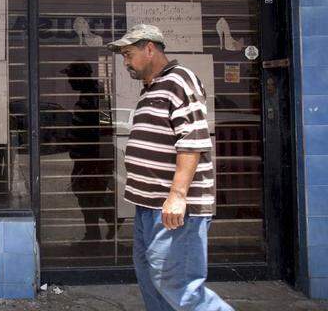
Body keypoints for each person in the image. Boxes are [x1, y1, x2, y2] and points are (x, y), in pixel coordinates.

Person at [106, 24, 233, 311]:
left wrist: (177, 195)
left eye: (128, 54)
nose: (125, 62)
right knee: (152, 279)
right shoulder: (152, 88)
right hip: (148, 206)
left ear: (149, 48)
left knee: (180, 286)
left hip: (173, 210)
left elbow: (192, 141)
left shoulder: (179, 80)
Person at [61, 62, 116, 242]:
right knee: (87, 193)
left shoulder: (94, 97)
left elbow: (102, 129)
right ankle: (101, 225)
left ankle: (106, 220)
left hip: (92, 159)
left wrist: (95, 159)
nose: (69, 81)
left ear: (80, 77)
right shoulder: (91, 95)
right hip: (88, 158)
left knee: (88, 194)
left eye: (71, 77)